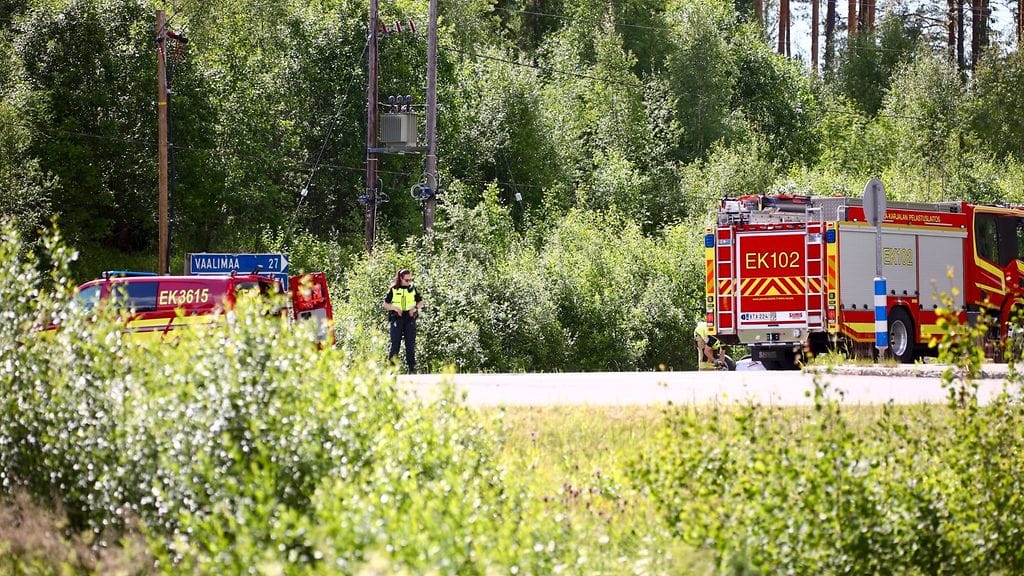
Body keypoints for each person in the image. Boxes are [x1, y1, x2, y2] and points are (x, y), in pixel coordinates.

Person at [384, 268, 424, 373]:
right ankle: (391, 369)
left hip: (410, 318)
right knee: (395, 343)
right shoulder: (393, 289)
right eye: (407, 280)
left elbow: (421, 303)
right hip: (397, 318)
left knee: (410, 344)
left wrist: (415, 309)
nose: (409, 282)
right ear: (401, 278)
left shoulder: (413, 288)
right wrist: (395, 308)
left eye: (410, 280)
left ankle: (411, 369)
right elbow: (385, 305)